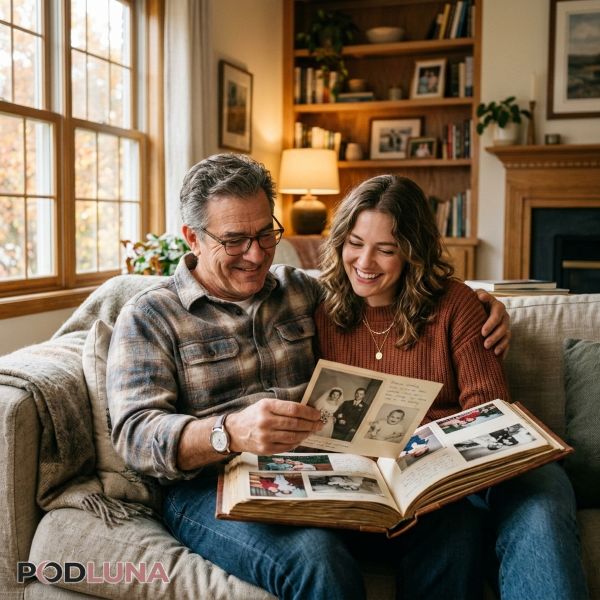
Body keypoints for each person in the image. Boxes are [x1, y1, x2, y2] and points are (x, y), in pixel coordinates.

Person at [107, 154, 511, 600]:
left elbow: (376, 282)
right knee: (316, 559)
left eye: (266, 233)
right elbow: (134, 434)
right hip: (213, 489)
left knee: (455, 527)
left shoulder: (300, 289)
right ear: (193, 238)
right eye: (235, 240)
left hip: (315, 475)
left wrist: (482, 303)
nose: (257, 254)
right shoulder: (150, 316)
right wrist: (229, 432)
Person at [314, 174, 589, 600]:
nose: (365, 261)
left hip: (473, 469)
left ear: (411, 252)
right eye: (354, 242)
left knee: (541, 503)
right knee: (452, 530)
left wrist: (412, 436)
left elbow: (488, 407)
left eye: (386, 249)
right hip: (388, 487)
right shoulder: (319, 309)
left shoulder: (456, 304)